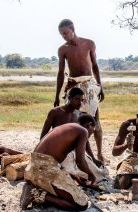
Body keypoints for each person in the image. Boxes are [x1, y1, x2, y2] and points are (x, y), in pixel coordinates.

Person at [54, 19, 106, 165]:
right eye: (61, 34)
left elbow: (95, 66)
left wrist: (100, 86)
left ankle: (100, 154)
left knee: (94, 121)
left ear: (73, 29)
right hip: (73, 85)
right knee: (72, 120)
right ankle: (73, 154)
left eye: (65, 33)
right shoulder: (63, 49)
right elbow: (60, 73)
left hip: (89, 86)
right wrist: (57, 95)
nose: (64, 36)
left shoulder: (89, 43)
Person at [20, 115, 97, 211]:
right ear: (89, 125)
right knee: (81, 204)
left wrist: (74, 177)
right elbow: (80, 161)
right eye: (92, 131)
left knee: (69, 194)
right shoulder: (83, 131)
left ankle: (36, 191)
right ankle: (35, 194)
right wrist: (91, 175)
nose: (90, 136)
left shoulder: (68, 127)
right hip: (44, 171)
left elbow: (51, 161)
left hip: (32, 168)